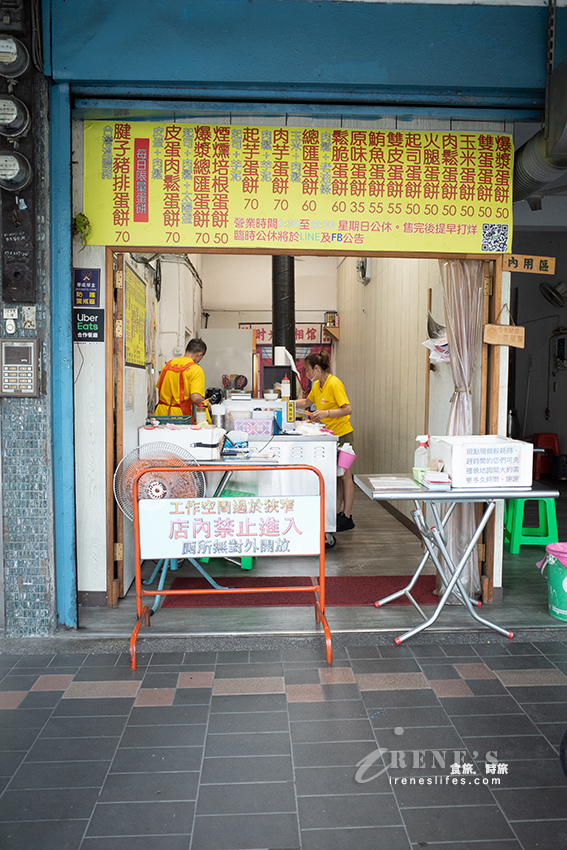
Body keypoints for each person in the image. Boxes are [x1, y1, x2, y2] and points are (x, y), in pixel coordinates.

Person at [296, 351, 355, 531]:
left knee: (345, 476)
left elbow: (347, 409)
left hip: (342, 435)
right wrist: (287, 402)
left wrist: (325, 413)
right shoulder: (318, 385)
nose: (306, 374)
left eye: (307, 370)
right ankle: (337, 513)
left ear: (316, 368)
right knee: (335, 476)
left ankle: (347, 516)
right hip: (329, 436)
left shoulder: (334, 384)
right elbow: (307, 402)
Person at [155, 338, 208, 421]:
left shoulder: (167, 365)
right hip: (180, 417)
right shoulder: (195, 369)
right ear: (199, 354)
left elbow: (160, 388)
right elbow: (195, 397)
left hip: (160, 414)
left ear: (186, 349)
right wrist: (208, 405)